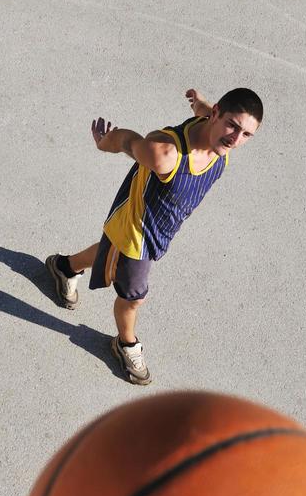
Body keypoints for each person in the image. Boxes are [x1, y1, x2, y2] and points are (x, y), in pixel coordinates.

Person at [45, 87, 263, 384]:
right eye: (232, 126)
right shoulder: (165, 155)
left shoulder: (214, 129)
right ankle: (125, 344)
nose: (236, 139)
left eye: (246, 135)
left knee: (111, 254)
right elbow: (129, 141)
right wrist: (104, 142)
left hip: (161, 226)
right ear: (217, 116)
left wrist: (199, 104)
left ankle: (65, 267)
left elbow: (208, 114)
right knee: (134, 297)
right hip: (138, 231)